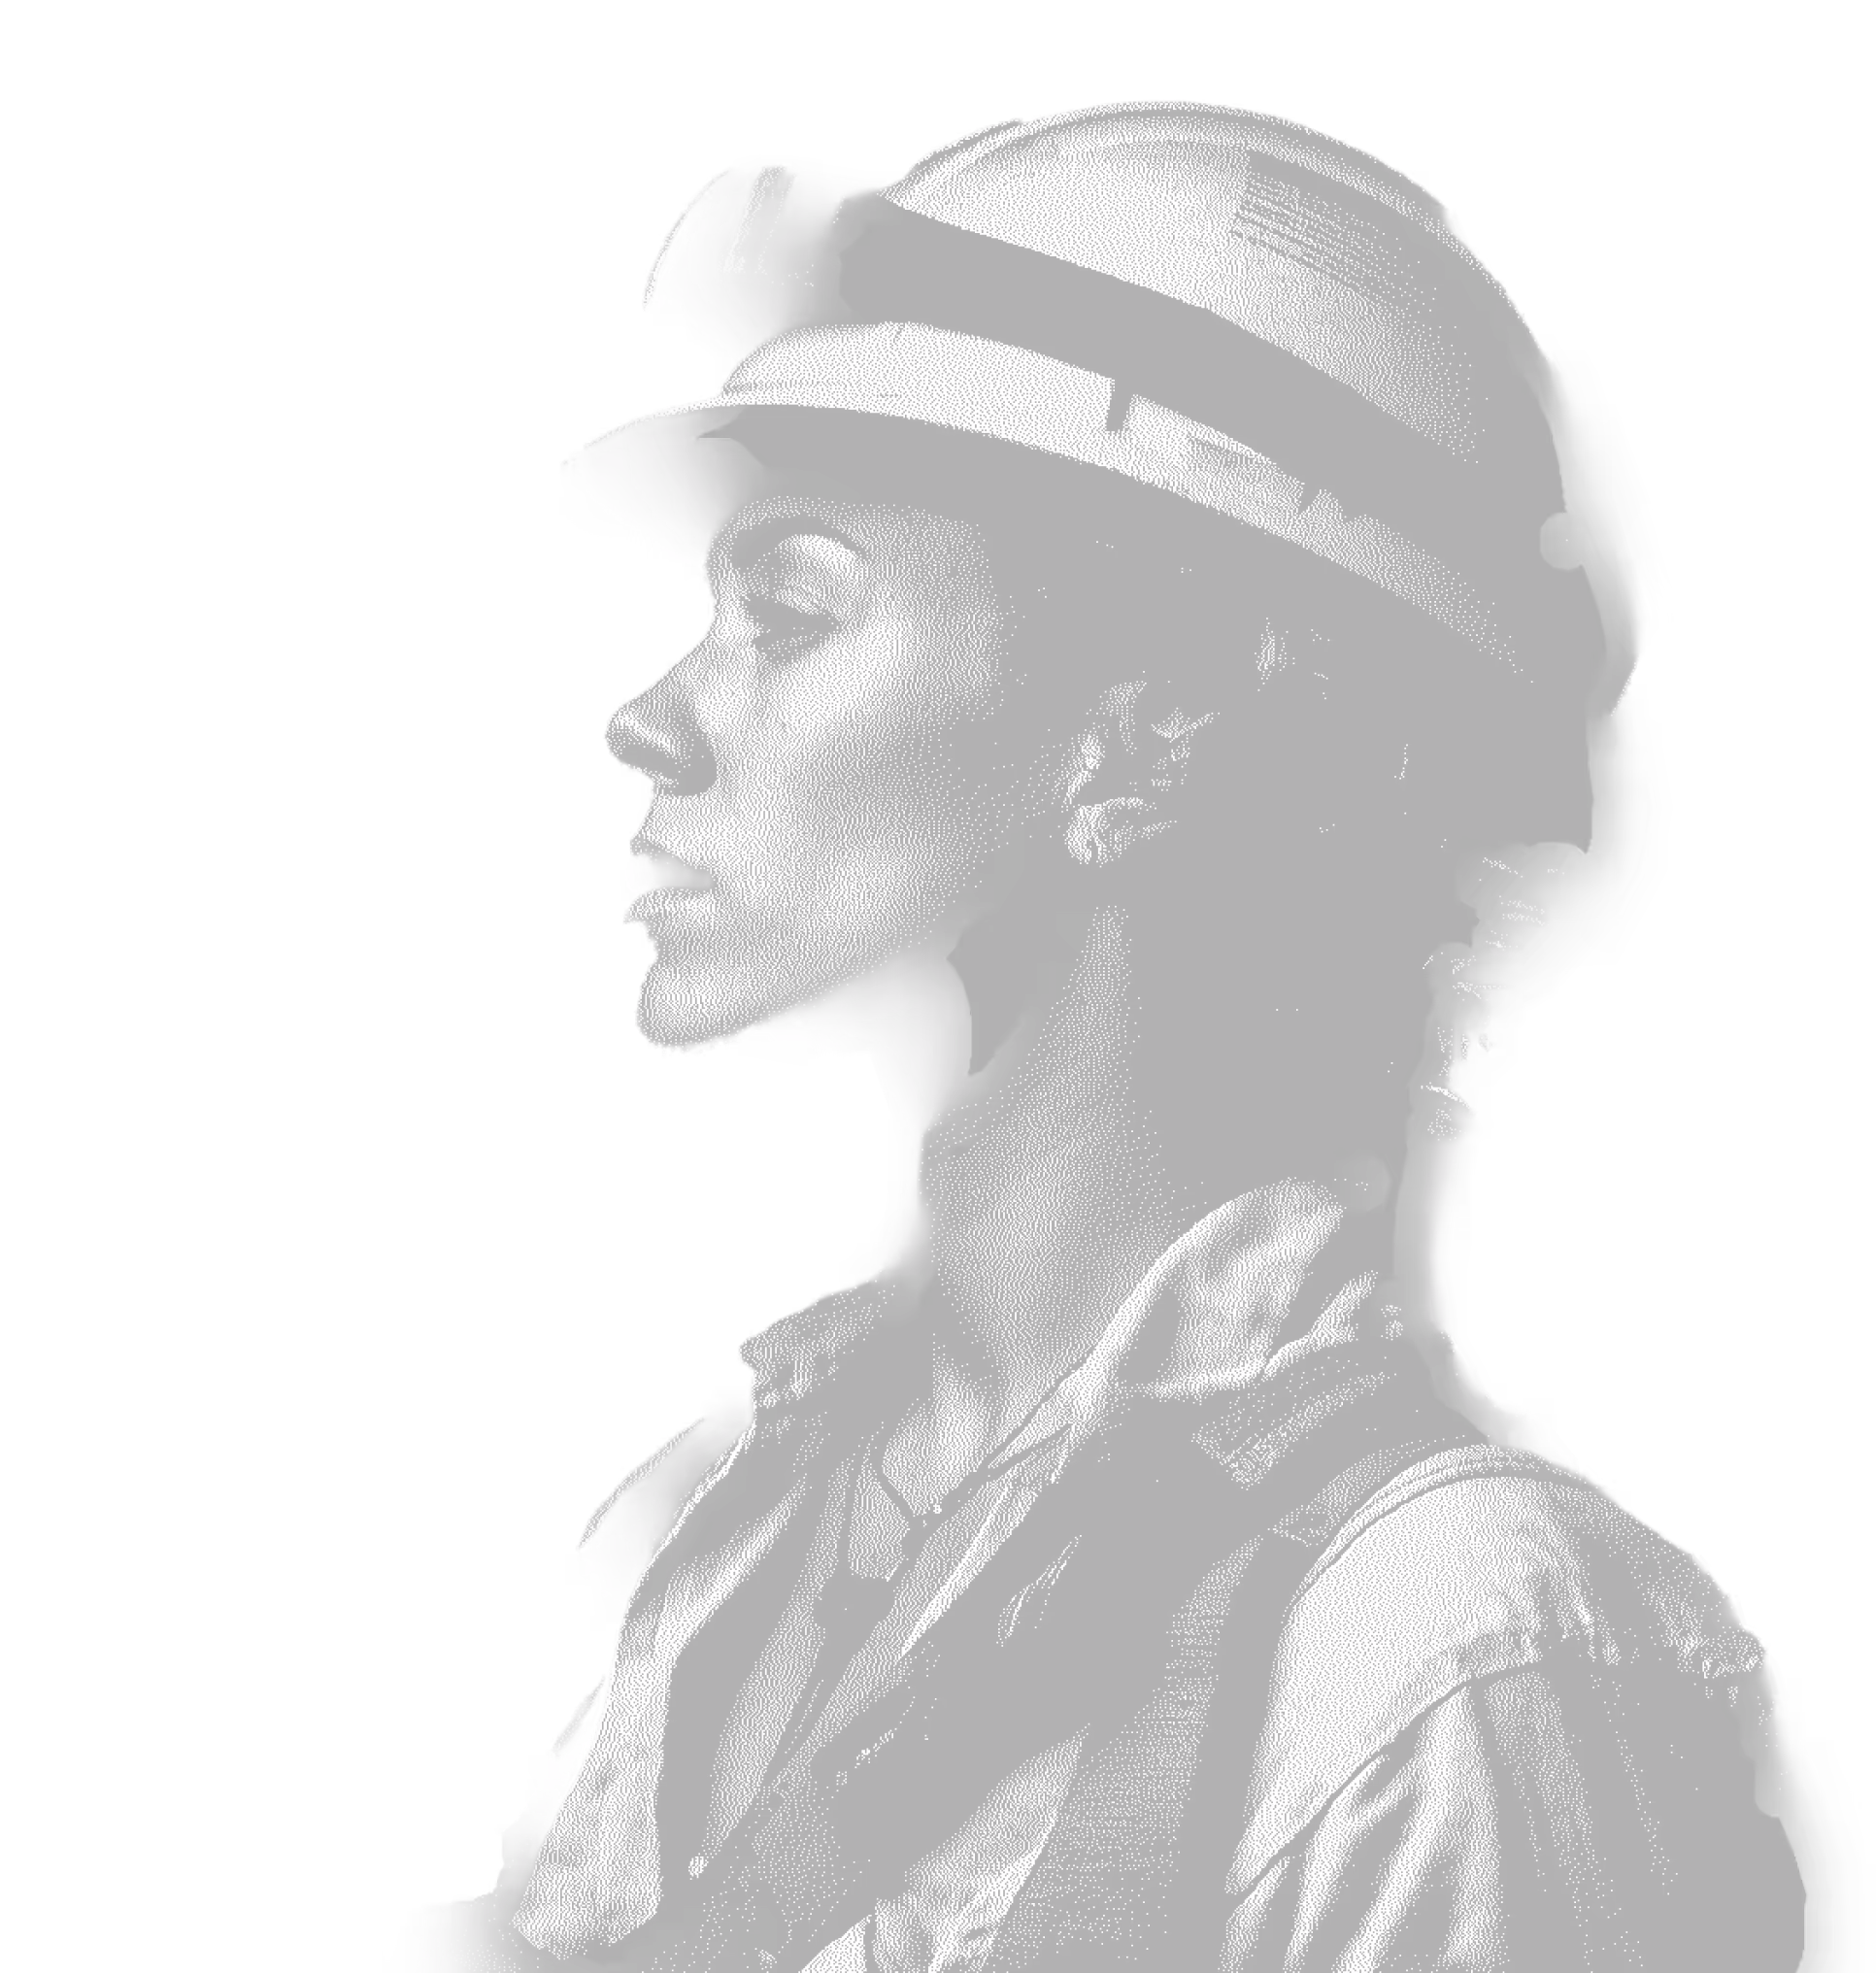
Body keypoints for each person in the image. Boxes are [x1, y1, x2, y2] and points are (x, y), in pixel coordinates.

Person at [420, 101, 1786, 1971]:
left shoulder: (1441, 1663)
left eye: (792, 615)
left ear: (1140, 748)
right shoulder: (749, 1527)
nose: (644, 719)